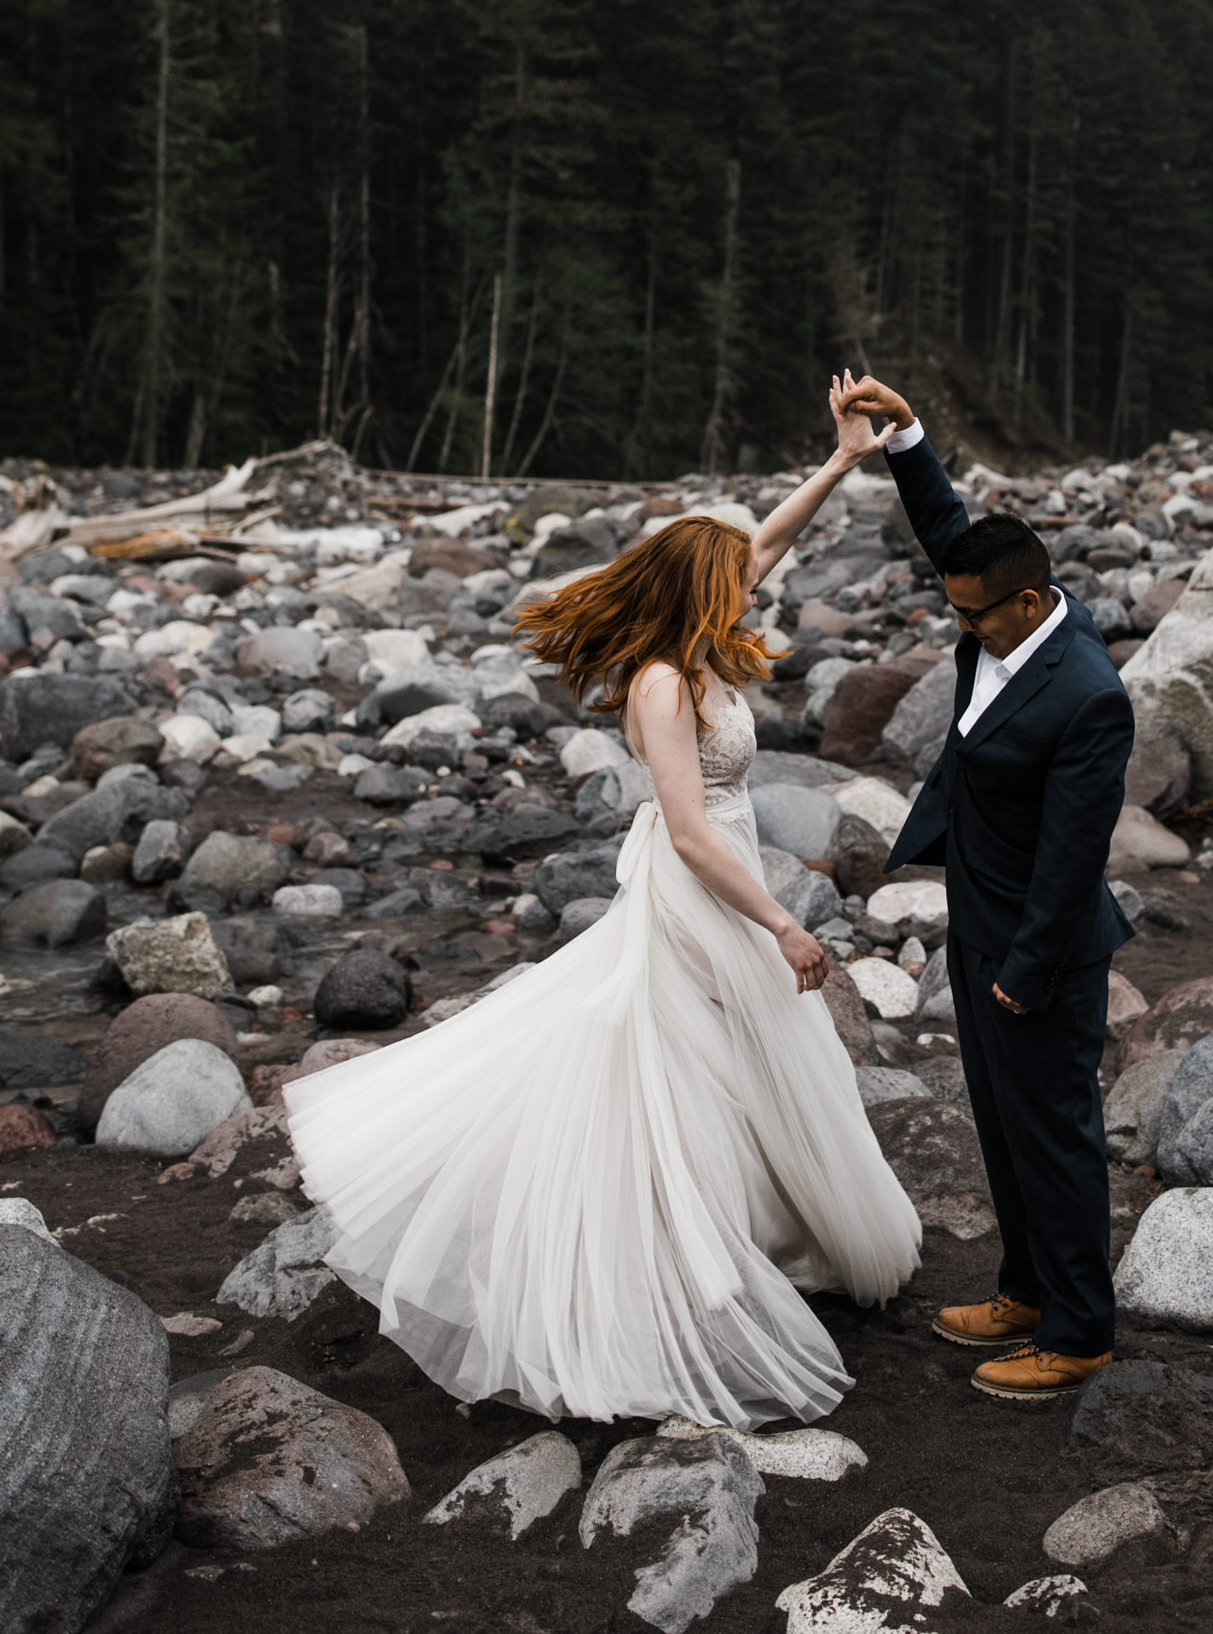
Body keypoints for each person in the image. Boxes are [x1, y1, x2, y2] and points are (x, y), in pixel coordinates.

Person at [285, 388, 920, 1429]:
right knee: (682, 1077)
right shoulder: (663, 684)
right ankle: (681, 1276)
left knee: (745, 1066)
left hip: (727, 876)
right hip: (697, 888)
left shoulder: (706, 635)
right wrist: (782, 919)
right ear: (700, 592)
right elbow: (686, 830)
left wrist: (844, 458)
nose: (756, 585)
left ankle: (754, 1238)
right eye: (738, 581)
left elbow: (762, 545)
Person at [835, 370, 1134, 1402]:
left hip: (1035, 950)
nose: (962, 631)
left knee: (1053, 1134)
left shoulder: (1088, 696)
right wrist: (907, 438)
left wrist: (1023, 968)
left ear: (1029, 599)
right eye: (955, 613)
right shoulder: (997, 610)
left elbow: (1073, 852)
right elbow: (951, 535)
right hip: (978, 918)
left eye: (976, 617)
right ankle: (1022, 1288)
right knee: (1000, 1129)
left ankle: (1080, 1329)